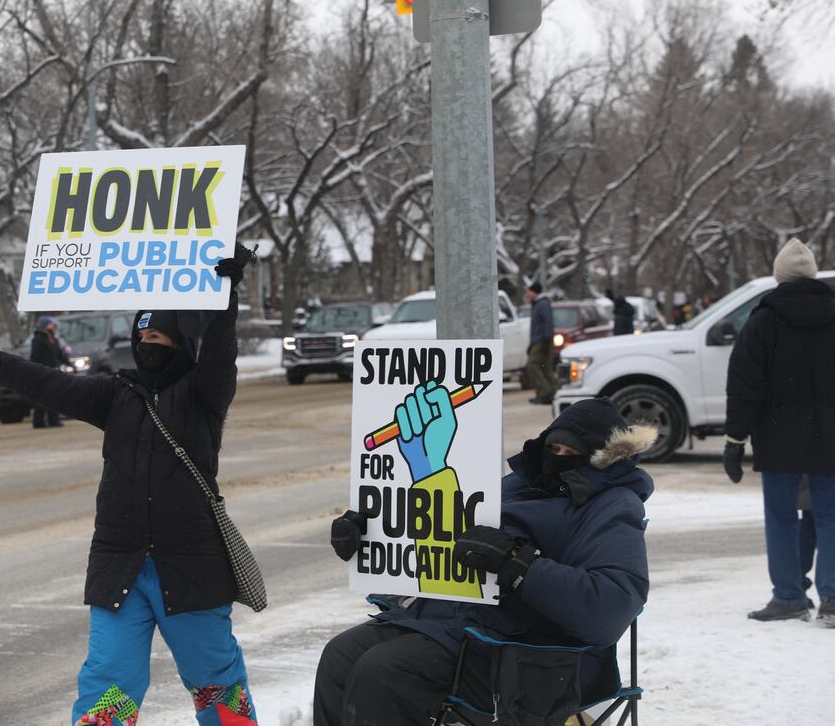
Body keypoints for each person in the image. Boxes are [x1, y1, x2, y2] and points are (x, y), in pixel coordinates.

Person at [0, 243, 259, 726]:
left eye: (160, 335)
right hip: (120, 567)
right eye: (143, 334)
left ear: (180, 341)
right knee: (108, 685)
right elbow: (56, 386)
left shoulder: (202, 394)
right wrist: (0, 364)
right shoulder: (116, 394)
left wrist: (224, 296)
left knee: (215, 680)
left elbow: (220, 355)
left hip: (190, 567)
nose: (149, 343)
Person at [316, 398, 654, 725]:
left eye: (573, 453)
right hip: (455, 622)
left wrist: (519, 565)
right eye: (554, 448)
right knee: (339, 656)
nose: (560, 458)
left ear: (602, 459)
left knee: (384, 671)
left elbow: (612, 603)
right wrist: (372, 535)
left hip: (530, 652)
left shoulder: (613, 505)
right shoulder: (517, 485)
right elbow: (448, 532)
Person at [723, 238, 835, 625]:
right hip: (831, 437)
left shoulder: (763, 321)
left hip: (779, 437)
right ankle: (833, 597)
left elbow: (743, 386)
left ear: (778, 277)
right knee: (831, 516)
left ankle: (789, 596)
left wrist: (734, 440)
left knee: (782, 517)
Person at [30, 316, 68, 428]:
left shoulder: (53, 339)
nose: (54, 326)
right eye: (51, 324)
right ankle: (38, 422)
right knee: (41, 397)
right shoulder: (38, 339)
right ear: (45, 326)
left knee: (54, 397)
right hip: (41, 372)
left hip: (53, 372)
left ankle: (54, 420)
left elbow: (59, 354)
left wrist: (69, 363)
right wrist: (37, 370)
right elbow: (35, 356)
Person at [525, 281, 557, 405]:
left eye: (528, 292)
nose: (527, 294)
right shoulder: (537, 304)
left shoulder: (542, 304)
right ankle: (553, 394)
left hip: (542, 340)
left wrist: (545, 341)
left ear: (534, 292)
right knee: (546, 367)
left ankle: (545, 392)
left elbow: (547, 323)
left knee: (533, 366)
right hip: (539, 340)